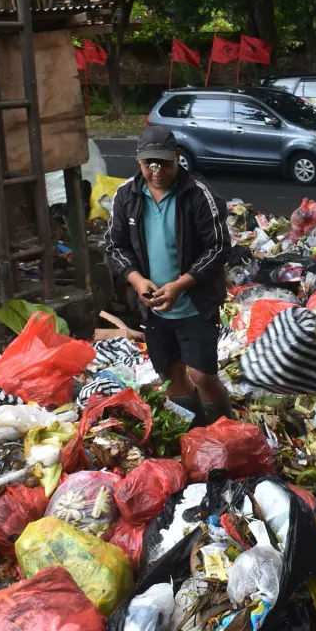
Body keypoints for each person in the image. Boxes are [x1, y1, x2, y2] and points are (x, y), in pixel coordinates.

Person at [105, 125, 232, 424]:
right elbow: (113, 245)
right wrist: (136, 280)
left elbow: (218, 248)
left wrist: (180, 285)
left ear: (177, 157)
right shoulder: (126, 196)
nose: (156, 171)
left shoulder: (199, 195)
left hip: (195, 304)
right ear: (139, 162)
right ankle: (195, 430)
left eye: (163, 162)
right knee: (170, 373)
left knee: (202, 375)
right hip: (153, 309)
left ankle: (225, 430)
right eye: (149, 164)